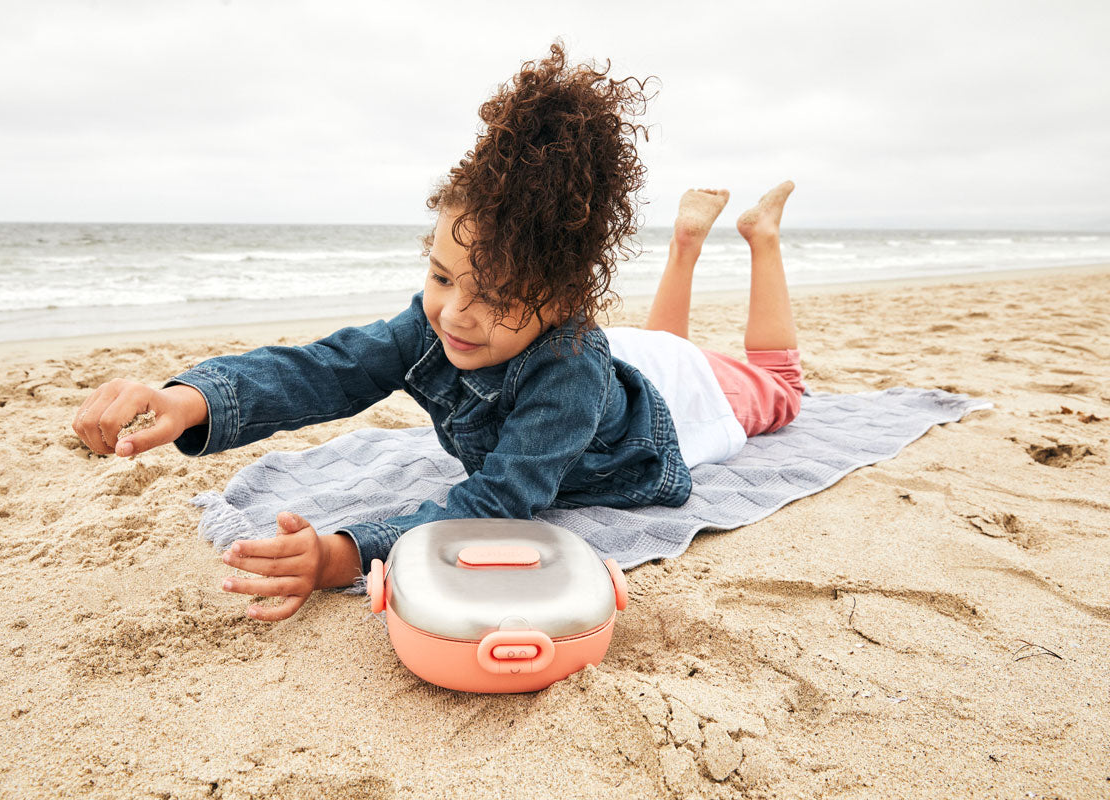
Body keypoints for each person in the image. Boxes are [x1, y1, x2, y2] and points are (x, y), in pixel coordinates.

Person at [71, 43, 804, 621]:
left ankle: (759, 237)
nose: (455, 313)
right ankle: (685, 244)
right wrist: (192, 398)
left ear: (565, 300)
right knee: (659, 342)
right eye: (443, 275)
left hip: (685, 400)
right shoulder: (442, 325)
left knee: (783, 389)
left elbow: (497, 504)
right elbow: (329, 368)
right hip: (639, 358)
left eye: (497, 297)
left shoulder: (572, 368)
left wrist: (343, 553)